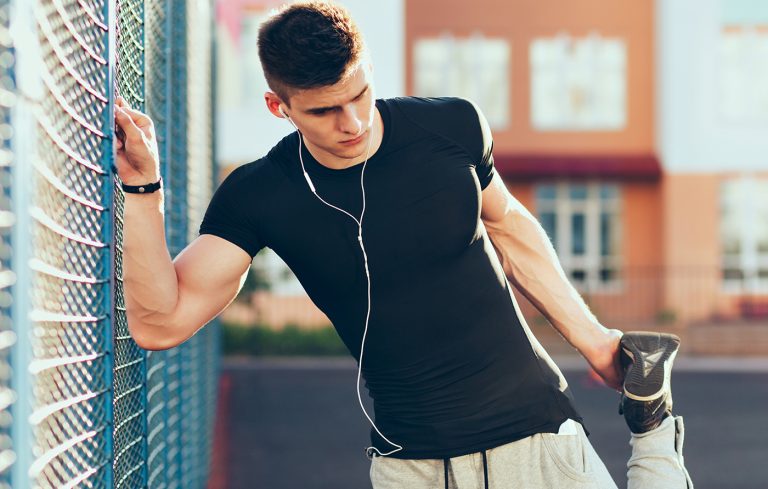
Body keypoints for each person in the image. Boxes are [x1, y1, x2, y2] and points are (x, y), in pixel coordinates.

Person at [114, 2, 693, 487]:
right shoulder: (259, 194)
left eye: (360, 94)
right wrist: (143, 190)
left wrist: (596, 343)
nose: (354, 122)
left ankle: (654, 428)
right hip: (409, 464)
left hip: (533, 435)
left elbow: (511, 229)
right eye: (325, 110)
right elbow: (159, 324)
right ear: (279, 107)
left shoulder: (450, 128)